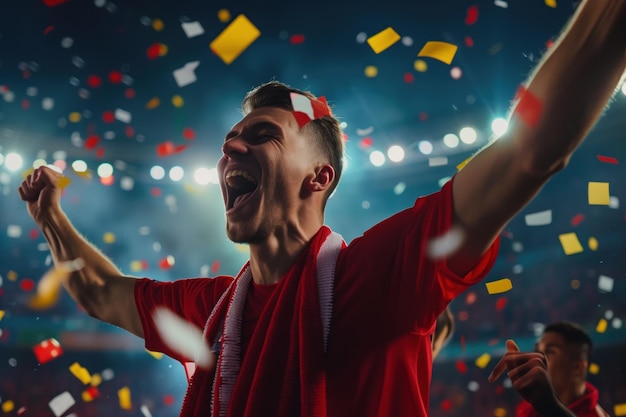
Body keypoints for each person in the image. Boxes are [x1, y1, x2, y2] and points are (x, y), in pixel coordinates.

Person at [18, 1, 626, 415]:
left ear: (320, 176)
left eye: (262, 136)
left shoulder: (383, 275)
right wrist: (50, 216)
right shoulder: (208, 312)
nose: (231, 145)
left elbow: (529, 153)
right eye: (229, 140)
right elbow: (100, 290)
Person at [489, 322, 610, 417]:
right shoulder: (529, 408)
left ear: (577, 367)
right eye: (537, 351)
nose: (537, 358)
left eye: (550, 352)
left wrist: (551, 407)